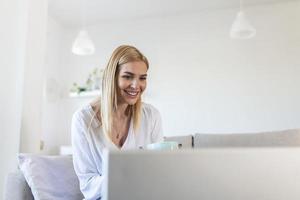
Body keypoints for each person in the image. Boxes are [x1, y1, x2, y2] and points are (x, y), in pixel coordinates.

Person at [71, 45, 164, 200]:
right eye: (128, 76)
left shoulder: (151, 116)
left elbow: (159, 171)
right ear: (112, 77)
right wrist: (129, 174)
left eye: (142, 78)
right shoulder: (83, 120)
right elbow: (88, 186)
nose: (136, 85)